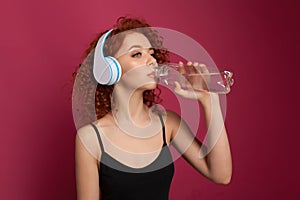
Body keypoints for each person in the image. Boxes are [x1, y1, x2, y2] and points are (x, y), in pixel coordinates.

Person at [73, 16, 232, 200]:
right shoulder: (90, 138)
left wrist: (209, 99)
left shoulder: (168, 123)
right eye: (137, 54)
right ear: (109, 70)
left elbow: (221, 175)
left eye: (151, 53)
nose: (152, 61)